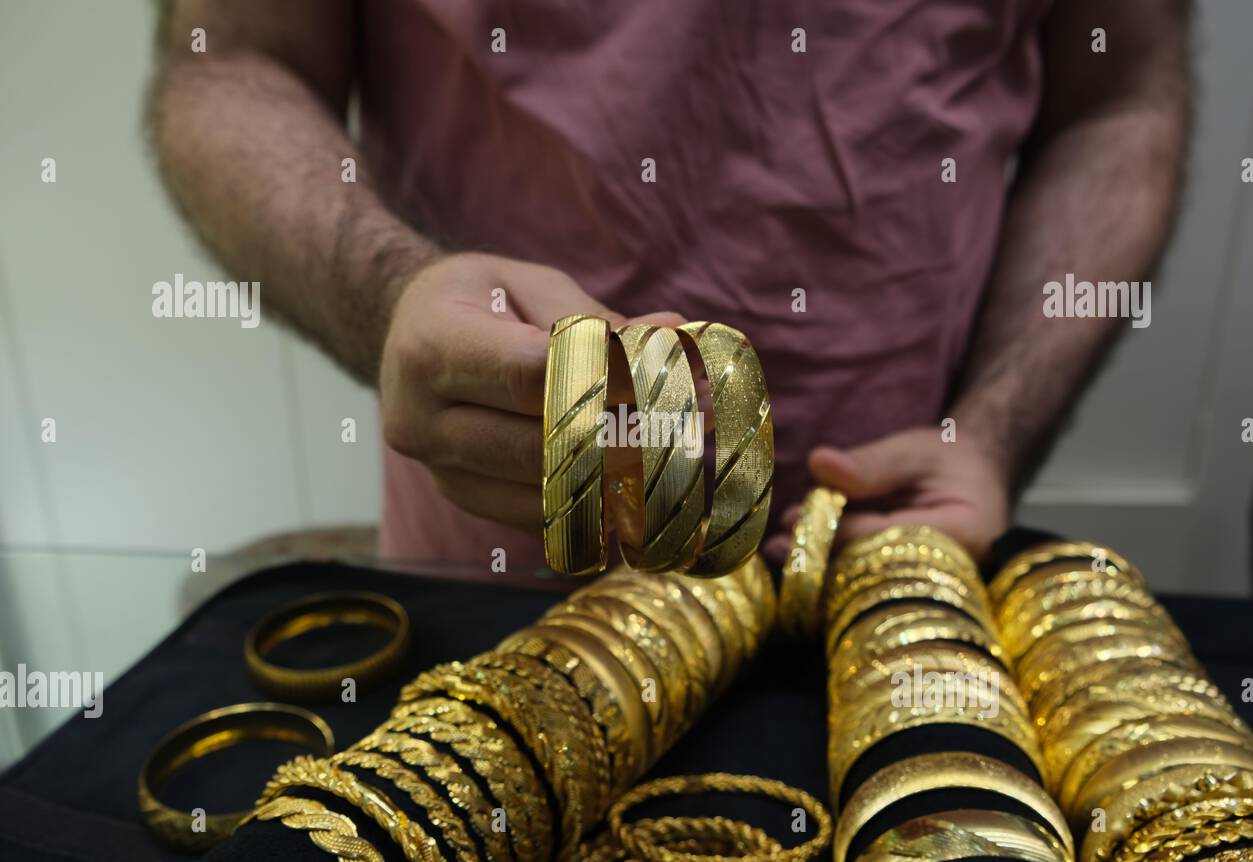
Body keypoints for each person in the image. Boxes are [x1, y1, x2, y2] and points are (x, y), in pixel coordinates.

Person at [149, 0, 1189, 574]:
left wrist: (995, 426)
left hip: (891, 545)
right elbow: (227, 63)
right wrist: (387, 297)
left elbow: (1122, 96)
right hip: (498, 560)